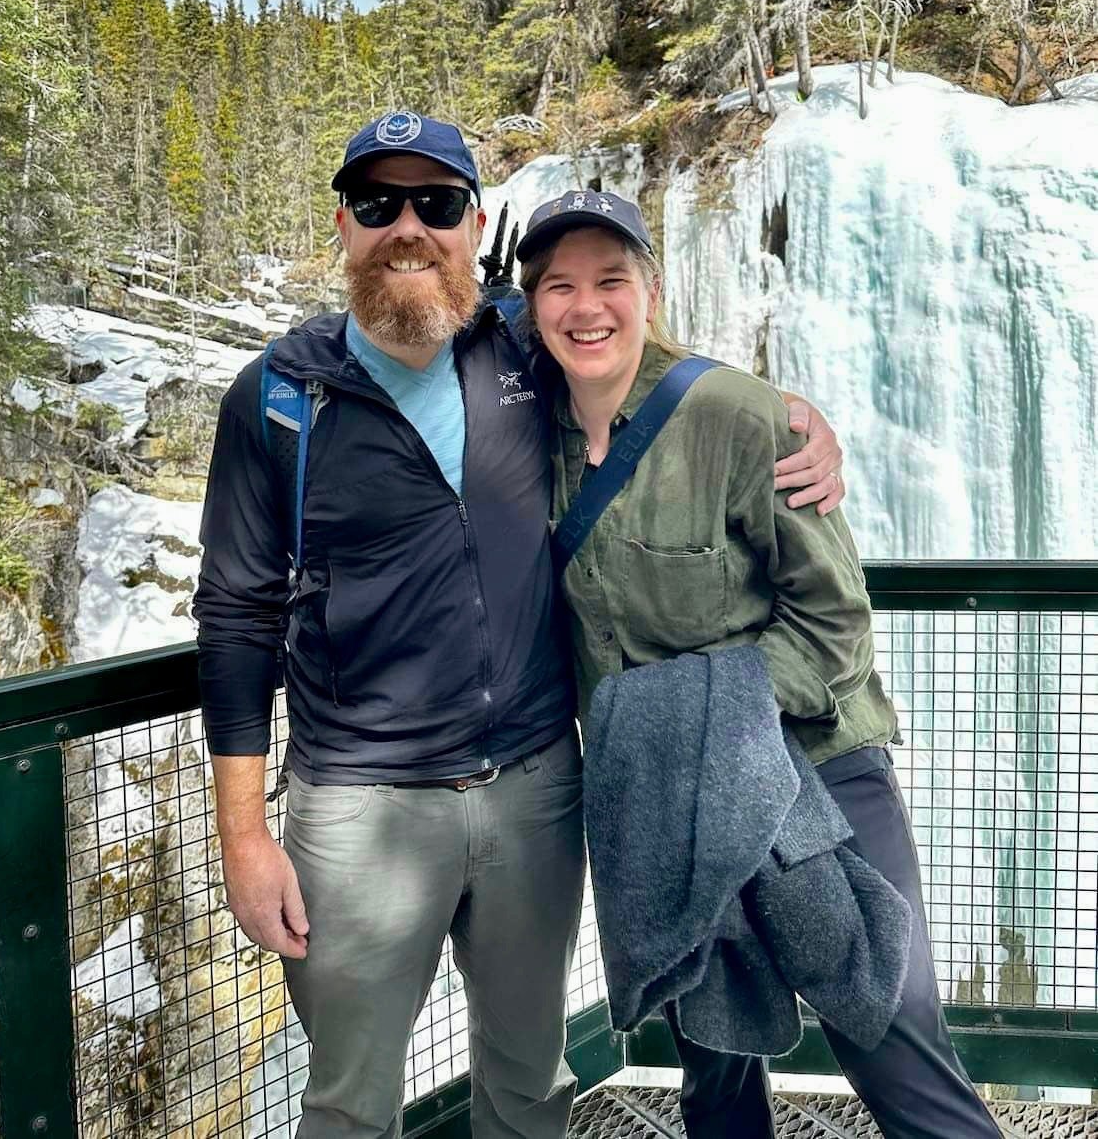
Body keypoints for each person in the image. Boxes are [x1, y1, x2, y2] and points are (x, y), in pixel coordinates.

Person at [193, 113, 846, 1139]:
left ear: (473, 222)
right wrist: (240, 836)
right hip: (358, 808)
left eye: (436, 204)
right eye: (379, 205)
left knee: (528, 1084)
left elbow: (639, 369)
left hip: (538, 793)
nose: (408, 227)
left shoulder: (521, 350)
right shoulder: (278, 399)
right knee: (347, 1103)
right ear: (343, 228)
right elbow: (234, 618)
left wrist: (789, 416)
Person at [517, 188, 1002, 1139]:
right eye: (559, 286)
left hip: (817, 763)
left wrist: (698, 712)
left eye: (612, 280)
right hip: (672, 798)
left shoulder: (736, 415)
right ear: (531, 306)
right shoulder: (530, 430)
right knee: (713, 1051)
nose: (588, 308)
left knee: (888, 1022)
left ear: (650, 292)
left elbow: (835, 622)